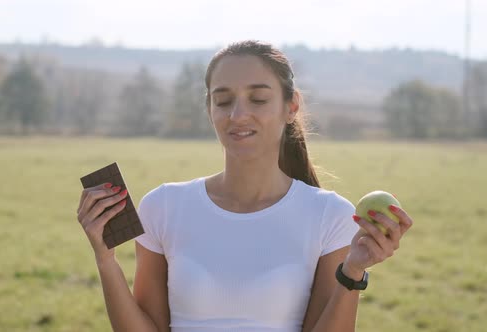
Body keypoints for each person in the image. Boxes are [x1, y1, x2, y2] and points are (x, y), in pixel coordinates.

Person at [76, 40, 414, 332]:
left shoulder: (331, 215)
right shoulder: (163, 206)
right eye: (223, 101)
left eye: (258, 99)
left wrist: (352, 271)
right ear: (209, 109)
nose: (237, 114)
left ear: (291, 106)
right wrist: (106, 261)